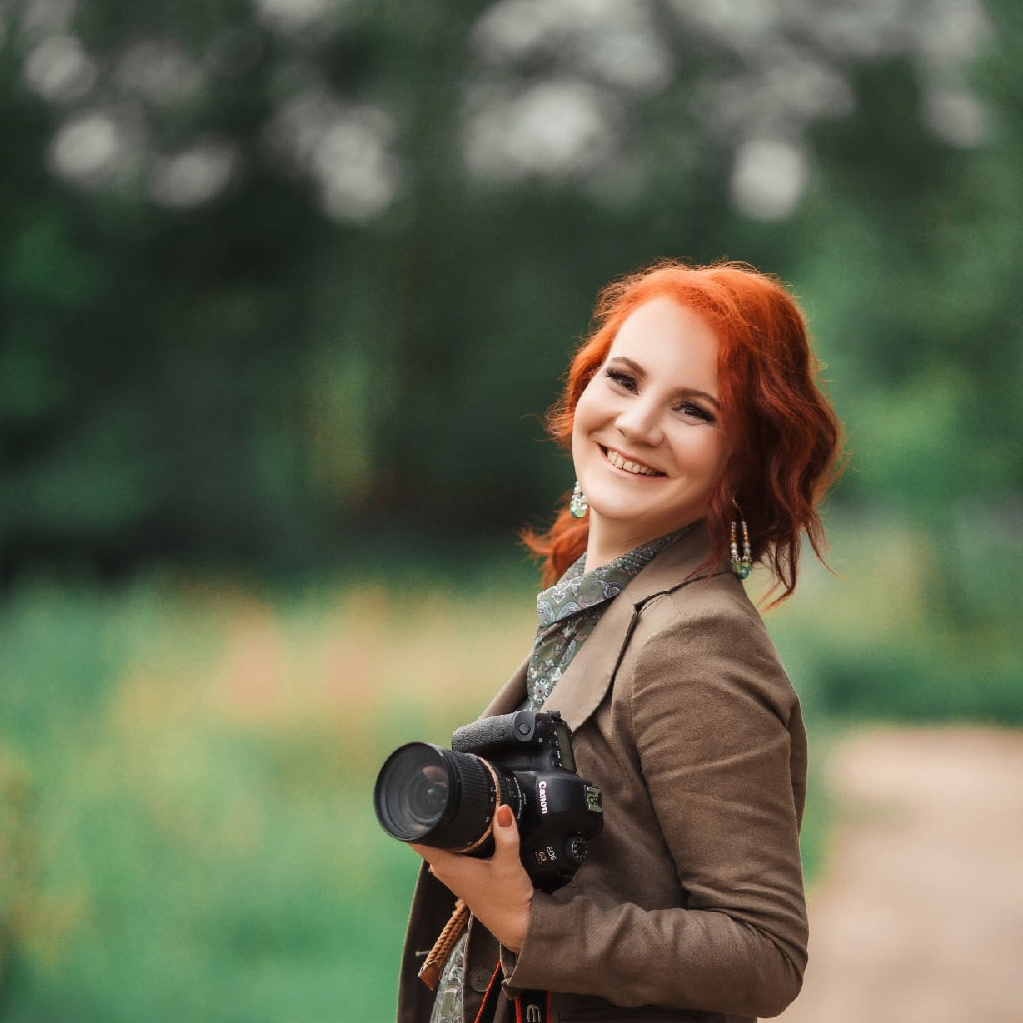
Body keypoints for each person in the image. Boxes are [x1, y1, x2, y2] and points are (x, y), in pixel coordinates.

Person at [396, 260, 842, 1023]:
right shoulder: (600, 601)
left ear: (744, 458)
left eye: (694, 409)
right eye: (625, 379)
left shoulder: (696, 641)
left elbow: (764, 952)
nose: (636, 423)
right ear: (585, 386)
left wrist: (535, 926)